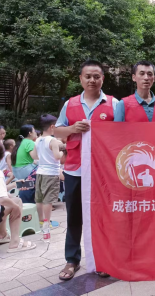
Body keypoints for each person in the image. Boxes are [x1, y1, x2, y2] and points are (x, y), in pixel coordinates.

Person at [54, 60, 118, 281]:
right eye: (88, 76)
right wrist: (72, 129)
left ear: (103, 79)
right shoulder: (70, 104)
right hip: (75, 169)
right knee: (74, 216)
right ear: (81, 79)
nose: (92, 80)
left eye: (96, 76)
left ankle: (101, 259)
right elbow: (57, 131)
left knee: (102, 216)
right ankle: (72, 260)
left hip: (102, 172)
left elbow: (124, 132)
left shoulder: (114, 104)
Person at [35, 114, 63, 241]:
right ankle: (47, 223)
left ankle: (41, 221)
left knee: (40, 198)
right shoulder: (53, 141)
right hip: (51, 173)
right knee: (48, 200)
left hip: (40, 172)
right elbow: (57, 156)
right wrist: (63, 151)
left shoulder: (38, 140)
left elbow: (35, 156)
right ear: (52, 127)